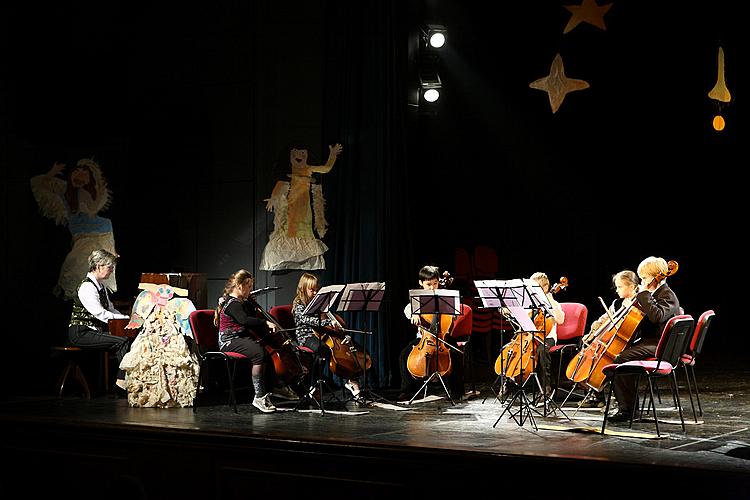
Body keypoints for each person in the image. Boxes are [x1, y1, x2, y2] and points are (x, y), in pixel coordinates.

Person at [31, 159, 119, 300]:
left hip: (102, 235)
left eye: (85, 174)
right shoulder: (64, 191)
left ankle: (92, 305)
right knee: (75, 270)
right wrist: (51, 173)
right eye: (77, 172)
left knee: (96, 274)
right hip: (83, 238)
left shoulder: (89, 193)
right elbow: (36, 183)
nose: (80, 175)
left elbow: (91, 209)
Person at [607, 256, 680, 423]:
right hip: (651, 342)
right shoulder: (655, 294)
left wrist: (644, 294)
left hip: (661, 345)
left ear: (656, 276)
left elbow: (656, 316)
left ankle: (628, 410)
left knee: (620, 359)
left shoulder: (667, 295)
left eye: (645, 278)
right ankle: (628, 406)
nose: (642, 282)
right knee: (619, 354)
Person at [260, 143, 343, 271]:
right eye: (295, 153)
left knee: (304, 228)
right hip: (291, 207)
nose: (299, 155)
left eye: (303, 153)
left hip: (304, 208)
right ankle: (286, 255)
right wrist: (274, 198)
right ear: (289, 156)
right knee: (288, 229)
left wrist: (332, 154)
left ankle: (302, 254)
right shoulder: (289, 173)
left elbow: (326, 168)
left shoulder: (309, 169)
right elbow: (280, 184)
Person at [214, 269, 280, 413]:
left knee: (265, 351)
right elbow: (244, 320)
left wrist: (250, 304)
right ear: (239, 286)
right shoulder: (233, 303)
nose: (250, 290)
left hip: (239, 338)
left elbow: (247, 316)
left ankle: (274, 388)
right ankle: (259, 396)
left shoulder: (239, 302)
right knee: (258, 353)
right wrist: (266, 322)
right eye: (248, 287)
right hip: (229, 341)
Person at [398, 265, 464, 402]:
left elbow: (455, 313)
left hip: (443, 338)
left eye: (435, 283)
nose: (432, 288)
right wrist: (414, 314)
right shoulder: (417, 300)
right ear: (421, 283)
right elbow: (407, 309)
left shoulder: (445, 297)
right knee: (404, 355)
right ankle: (407, 391)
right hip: (423, 338)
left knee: (456, 355)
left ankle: (457, 391)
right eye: (428, 284)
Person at [292, 273, 362, 401]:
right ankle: (313, 384)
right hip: (306, 335)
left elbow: (325, 317)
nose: (315, 293)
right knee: (323, 349)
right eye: (311, 290)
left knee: (350, 348)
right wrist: (327, 322)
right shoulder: (298, 304)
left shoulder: (318, 302)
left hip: (321, 333)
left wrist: (336, 325)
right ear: (303, 289)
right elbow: (308, 320)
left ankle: (350, 379)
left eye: (316, 290)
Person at [68, 249, 130, 391]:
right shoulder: (87, 287)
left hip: (92, 331)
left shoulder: (101, 287)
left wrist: (127, 318)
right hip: (80, 333)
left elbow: (110, 309)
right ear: (98, 266)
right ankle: (121, 384)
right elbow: (101, 314)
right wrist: (125, 320)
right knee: (123, 340)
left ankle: (124, 382)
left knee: (126, 339)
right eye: (110, 267)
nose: (112, 270)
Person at [579, 270, 640, 408]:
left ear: (631, 286)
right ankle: (595, 394)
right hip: (614, 339)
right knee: (586, 345)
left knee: (610, 358)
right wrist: (594, 330)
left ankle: (614, 397)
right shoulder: (617, 303)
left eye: (620, 287)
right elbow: (604, 319)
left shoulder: (638, 303)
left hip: (631, 342)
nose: (617, 290)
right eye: (616, 287)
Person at [528, 272, 566, 396]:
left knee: (542, 351)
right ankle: (509, 384)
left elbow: (560, 320)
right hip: (529, 336)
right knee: (510, 349)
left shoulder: (553, 303)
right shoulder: (529, 302)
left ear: (544, 288)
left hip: (548, 337)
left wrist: (550, 299)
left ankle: (545, 390)